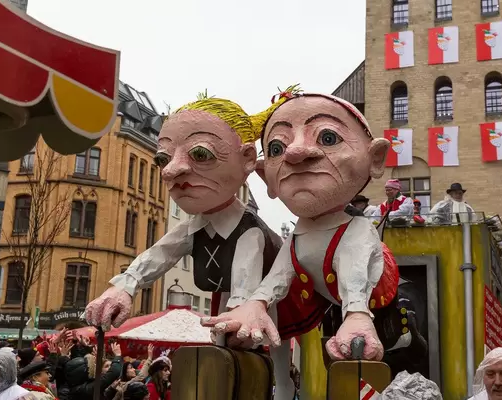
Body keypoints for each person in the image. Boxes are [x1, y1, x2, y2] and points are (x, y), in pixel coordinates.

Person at [202, 90, 425, 372]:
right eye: (276, 148)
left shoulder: (356, 228)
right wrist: (254, 306)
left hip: (376, 302)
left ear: (375, 158)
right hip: (333, 304)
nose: (295, 152)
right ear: (265, 177)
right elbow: (276, 280)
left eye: (328, 138)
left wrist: (357, 315)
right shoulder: (296, 237)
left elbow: (355, 273)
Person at [85, 94, 291, 398]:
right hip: (230, 308)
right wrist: (124, 286)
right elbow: (160, 253)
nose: (170, 171)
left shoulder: (250, 231)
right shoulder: (196, 226)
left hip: (276, 310)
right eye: (163, 159)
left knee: (280, 365)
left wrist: (237, 318)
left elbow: (244, 287)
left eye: (200, 154)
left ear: (248, 159)